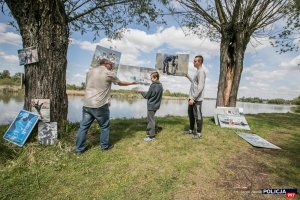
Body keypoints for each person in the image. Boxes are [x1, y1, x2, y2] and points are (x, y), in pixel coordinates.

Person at [75, 58, 136, 153]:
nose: (112, 66)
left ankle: (79, 149)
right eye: (111, 64)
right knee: (104, 126)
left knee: (83, 127)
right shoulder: (109, 73)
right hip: (100, 105)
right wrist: (131, 83)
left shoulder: (90, 72)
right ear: (106, 64)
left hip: (87, 104)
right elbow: (120, 83)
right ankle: (104, 147)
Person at [185, 55, 206, 139]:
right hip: (192, 98)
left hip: (196, 99)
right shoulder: (197, 71)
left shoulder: (201, 72)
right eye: (193, 61)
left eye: (195, 61)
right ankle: (191, 130)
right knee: (191, 115)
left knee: (198, 116)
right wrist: (188, 76)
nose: (193, 62)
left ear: (199, 62)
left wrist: (193, 98)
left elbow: (200, 87)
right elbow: (194, 83)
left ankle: (199, 133)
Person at [138, 71, 163, 142]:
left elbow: (147, 96)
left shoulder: (153, 85)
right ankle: (149, 132)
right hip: (156, 105)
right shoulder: (160, 85)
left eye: (151, 77)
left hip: (151, 105)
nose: (150, 79)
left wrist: (141, 92)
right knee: (150, 119)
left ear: (155, 77)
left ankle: (151, 136)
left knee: (150, 120)